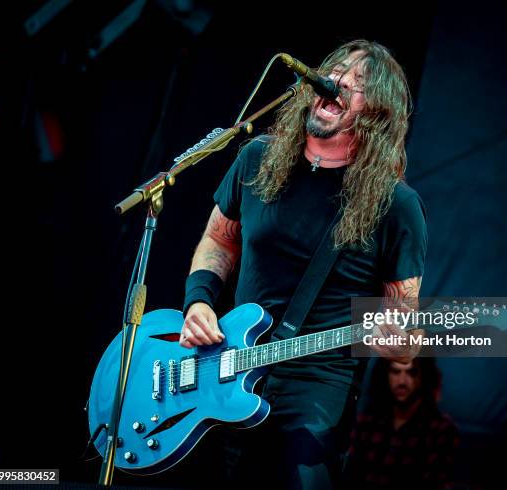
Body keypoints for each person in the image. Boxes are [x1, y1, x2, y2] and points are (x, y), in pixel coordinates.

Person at [180, 39, 428, 489]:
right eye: (335, 73)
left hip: (316, 388)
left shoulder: (396, 205)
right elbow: (219, 239)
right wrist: (198, 303)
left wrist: (400, 337)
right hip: (227, 364)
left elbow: (404, 324)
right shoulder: (257, 158)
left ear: (377, 114)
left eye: (358, 84)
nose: (337, 83)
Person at [345, 358, 460, 489]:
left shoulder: (440, 429)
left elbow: (437, 482)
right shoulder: (367, 421)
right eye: (395, 372)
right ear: (385, 374)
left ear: (423, 376)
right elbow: (351, 475)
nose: (402, 381)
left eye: (411, 373)